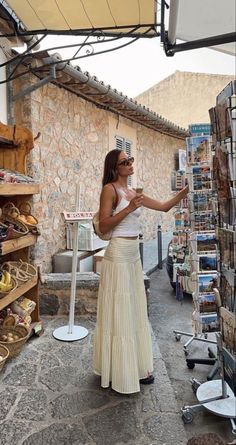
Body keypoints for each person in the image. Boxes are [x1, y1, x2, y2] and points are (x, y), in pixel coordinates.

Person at [93, 149, 189, 394]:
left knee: (134, 310)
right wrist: (127, 209)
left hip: (133, 254)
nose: (130, 164)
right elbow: (104, 224)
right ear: (115, 168)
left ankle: (135, 366)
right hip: (118, 254)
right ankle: (119, 371)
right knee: (121, 311)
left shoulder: (134, 193)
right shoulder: (110, 190)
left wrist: (188, 189)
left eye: (131, 160)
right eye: (125, 162)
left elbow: (165, 207)